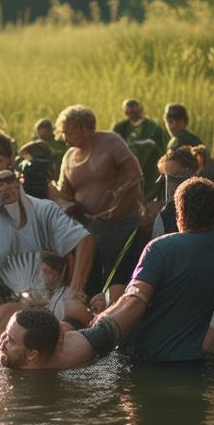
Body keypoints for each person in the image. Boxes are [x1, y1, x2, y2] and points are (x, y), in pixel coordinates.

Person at [92, 177, 214, 363]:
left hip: (150, 361)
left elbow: (134, 301)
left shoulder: (159, 248)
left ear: (179, 214)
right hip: (201, 362)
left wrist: (99, 325)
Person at [0, 168, 94, 315]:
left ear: (19, 187)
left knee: (2, 316)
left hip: (47, 295)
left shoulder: (43, 210)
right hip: (6, 291)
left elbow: (85, 239)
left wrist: (76, 287)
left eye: (8, 191)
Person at [54, 105, 145, 290]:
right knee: (90, 278)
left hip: (121, 224)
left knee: (115, 276)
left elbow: (134, 173)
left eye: (68, 133)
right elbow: (63, 193)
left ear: (85, 128)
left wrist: (116, 202)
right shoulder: (68, 157)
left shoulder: (111, 142)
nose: (64, 139)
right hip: (87, 229)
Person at [0, 307, 119, 371]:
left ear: (32, 354)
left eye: (10, 340)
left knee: (134, 299)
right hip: (73, 335)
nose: (1, 344)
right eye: (6, 332)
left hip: (96, 337)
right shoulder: (20, 357)